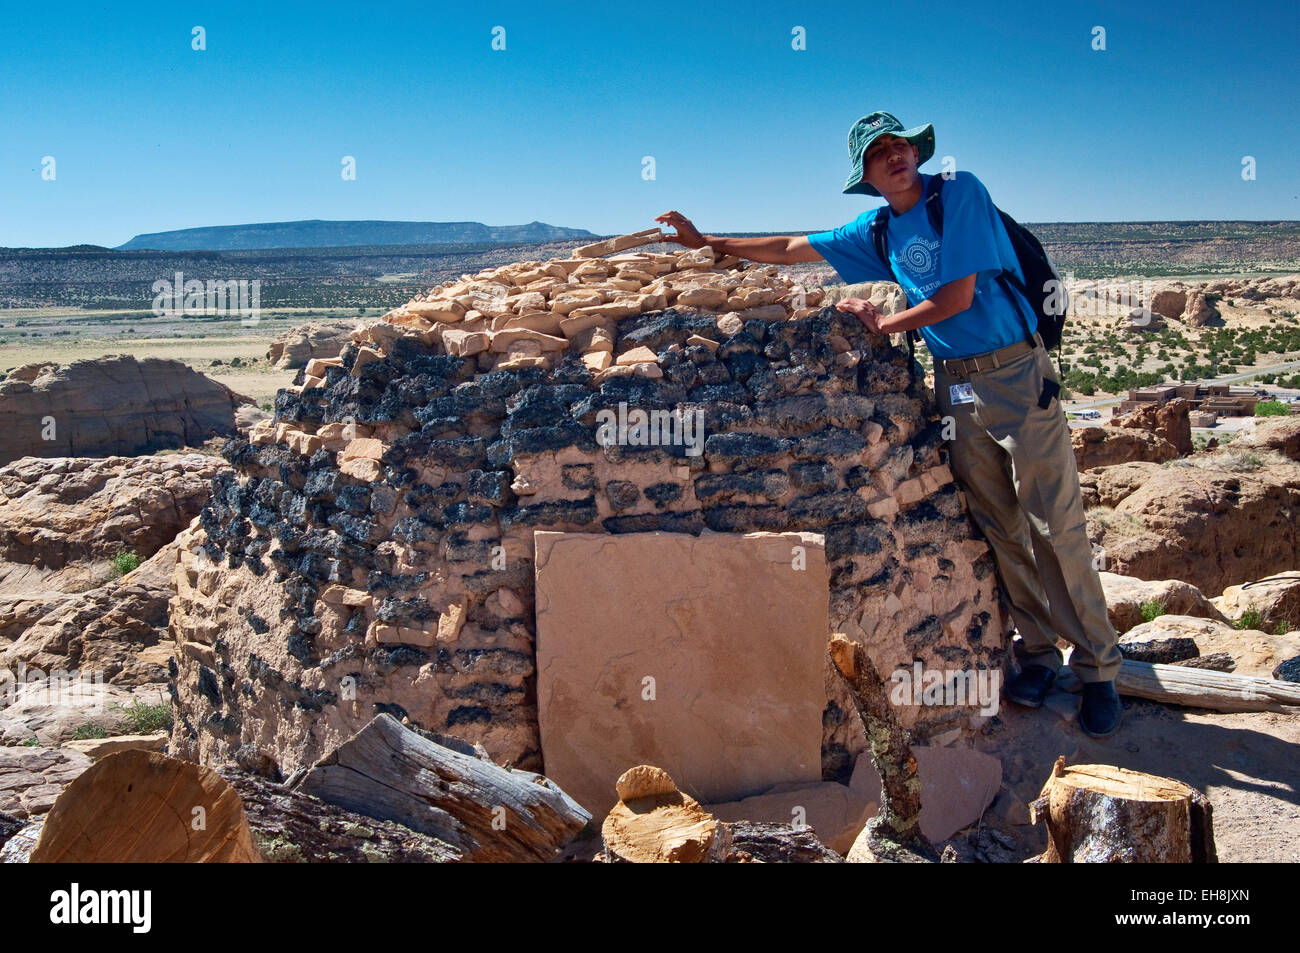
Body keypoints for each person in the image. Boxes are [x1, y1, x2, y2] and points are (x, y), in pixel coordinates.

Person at [654, 110, 1124, 737]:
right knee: (1000, 525)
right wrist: (708, 242)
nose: (895, 156)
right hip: (955, 381)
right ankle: (1037, 655)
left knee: (1054, 523)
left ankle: (1098, 670)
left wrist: (884, 324)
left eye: (901, 144)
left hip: (1015, 373)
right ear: (867, 175)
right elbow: (794, 248)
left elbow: (957, 295)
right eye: (880, 153)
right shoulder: (877, 228)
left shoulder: (958, 193)